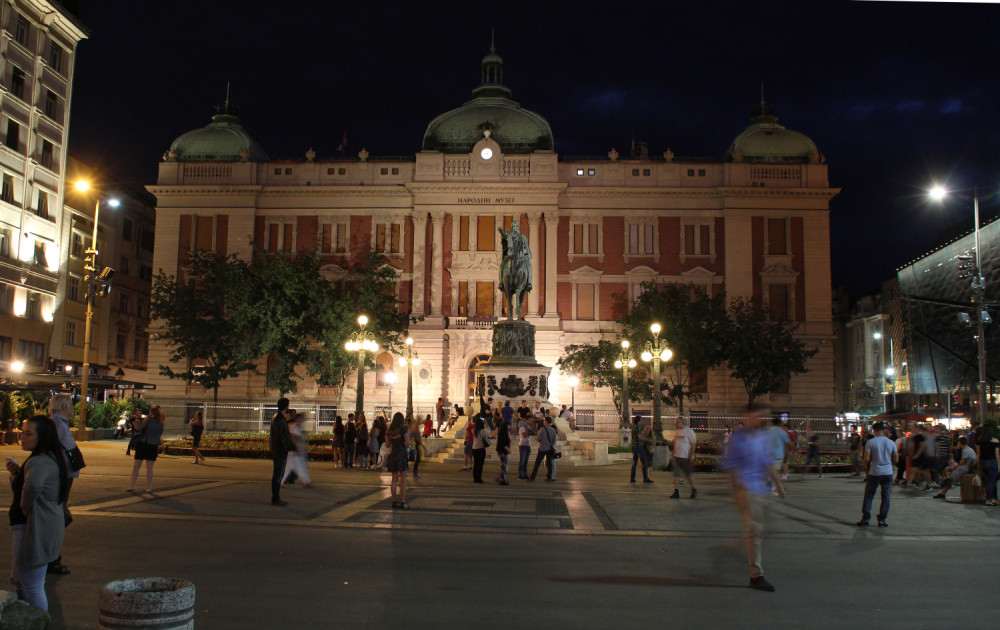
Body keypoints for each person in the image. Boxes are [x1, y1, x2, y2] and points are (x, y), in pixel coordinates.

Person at [719, 404, 784, 592]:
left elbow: (768, 462)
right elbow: (731, 465)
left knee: (769, 527)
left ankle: (735, 544)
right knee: (755, 530)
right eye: (758, 415)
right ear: (748, 417)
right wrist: (735, 491)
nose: (761, 418)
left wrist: (779, 485)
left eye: (763, 415)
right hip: (745, 488)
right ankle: (756, 575)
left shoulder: (764, 436)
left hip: (760, 488)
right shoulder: (738, 437)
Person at [6, 415, 68, 610]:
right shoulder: (46, 458)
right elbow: (29, 484)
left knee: (32, 584)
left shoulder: (39, 461)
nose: (22, 437)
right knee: (25, 581)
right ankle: (28, 619)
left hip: (33, 527)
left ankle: (37, 622)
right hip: (39, 526)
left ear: (42, 436)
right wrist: (17, 474)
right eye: (22, 433)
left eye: (28, 433)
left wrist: (24, 507)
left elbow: (32, 487)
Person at [47, 394, 77, 575]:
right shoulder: (57, 424)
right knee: (59, 516)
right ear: (64, 407)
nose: (73, 408)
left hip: (63, 473)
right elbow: (63, 448)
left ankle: (52, 556)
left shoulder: (58, 423)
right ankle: (51, 557)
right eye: (71, 404)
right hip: (61, 474)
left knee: (60, 515)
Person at [857, 422, 897, 528]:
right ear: (883, 431)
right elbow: (896, 458)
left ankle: (865, 518)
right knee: (886, 496)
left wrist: (866, 467)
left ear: (874, 431)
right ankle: (882, 520)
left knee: (869, 495)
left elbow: (866, 458)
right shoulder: (891, 442)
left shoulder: (870, 442)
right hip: (888, 472)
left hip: (875, 472)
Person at [128, 406, 164, 494]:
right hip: (153, 445)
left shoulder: (148, 421)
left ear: (152, 413)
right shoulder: (161, 423)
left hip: (144, 444)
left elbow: (139, 428)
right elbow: (160, 433)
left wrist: (137, 424)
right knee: (150, 468)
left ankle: (132, 486)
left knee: (136, 466)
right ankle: (148, 488)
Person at [268, 399, 293, 506]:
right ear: (286, 406)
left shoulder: (279, 418)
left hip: (280, 449)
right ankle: (275, 498)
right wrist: (285, 447)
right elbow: (280, 436)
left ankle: (276, 497)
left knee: (279, 474)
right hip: (279, 450)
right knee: (278, 475)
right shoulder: (279, 418)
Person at [281, 411, 313, 488]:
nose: (304, 420)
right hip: (295, 450)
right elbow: (293, 437)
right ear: (299, 419)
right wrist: (297, 448)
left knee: (291, 467)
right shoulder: (296, 426)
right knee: (300, 467)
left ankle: (306, 482)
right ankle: (307, 482)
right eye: (302, 418)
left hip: (295, 451)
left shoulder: (296, 426)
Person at [385, 412, 409, 508]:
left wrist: (392, 439)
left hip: (393, 454)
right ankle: (403, 502)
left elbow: (387, 445)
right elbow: (407, 442)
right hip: (402, 454)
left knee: (394, 479)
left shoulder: (389, 430)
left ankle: (394, 501)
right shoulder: (403, 429)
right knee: (403, 479)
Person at [670, 418, 697, 498]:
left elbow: (693, 444)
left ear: (683, 423)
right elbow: (676, 443)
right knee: (676, 474)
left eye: (678, 422)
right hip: (677, 456)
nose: (676, 424)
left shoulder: (689, 432)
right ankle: (676, 491)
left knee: (688, 475)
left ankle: (693, 489)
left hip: (686, 457)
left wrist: (691, 456)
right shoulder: (678, 431)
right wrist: (672, 454)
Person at [529, 416, 558, 482]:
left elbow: (538, 439)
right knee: (549, 463)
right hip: (549, 449)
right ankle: (549, 477)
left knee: (537, 463)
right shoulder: (553, 430)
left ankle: (533, 477)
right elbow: (554, 441)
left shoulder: (542, 429)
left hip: (542, 448)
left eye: (544, 421)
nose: (543, 422)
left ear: (546, 422)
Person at [977, 422, 999, 506]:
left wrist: (978, 464)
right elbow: (997, 454)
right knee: (991, 481)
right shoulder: (995, 441)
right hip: (992, 462)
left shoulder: (980, 441)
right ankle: (989, 499)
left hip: (983, 462)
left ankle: (990, 498)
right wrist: (999, 464)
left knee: (988, 481)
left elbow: (978, 454)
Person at [630, 415, 653, 484]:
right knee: (644, 462)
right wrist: (648, 440)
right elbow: (640, 437)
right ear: (639, 420)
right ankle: (645, 478)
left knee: (634, 462)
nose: (642, 421)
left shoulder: (633, 427)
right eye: (641, 420)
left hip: (634, 446)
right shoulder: (637, 427)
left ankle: (632, 478)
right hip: (638, 446)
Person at [471, 416, 490, 483]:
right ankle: (478, 478)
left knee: (476, 463)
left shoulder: (474, 430)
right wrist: (486, 423)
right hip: (481, 448)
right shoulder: (482, 431)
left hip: (474, 448)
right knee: (480, 464)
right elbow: (489, 430)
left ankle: (475, 477)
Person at [495, 414, 511, 485]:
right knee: (504, 465)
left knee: (504, 465)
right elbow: (503, 443)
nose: (510, 427)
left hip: (502, 451)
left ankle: (502, 478)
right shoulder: (503, 433)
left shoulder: (502, 432)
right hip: (503, 451)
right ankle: (502, 479)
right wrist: (507, 449)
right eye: (509, 425)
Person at [517, 412, 532, 480]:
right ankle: (520, 474)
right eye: (529, 420)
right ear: (526, 420)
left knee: (526, 461)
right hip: (523, 445)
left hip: (528, 445)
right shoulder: (522, 427)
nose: (530, 422)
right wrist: (528, 429)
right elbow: (524, 435)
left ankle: (524, 474)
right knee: (522, 461)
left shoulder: (528, 427)